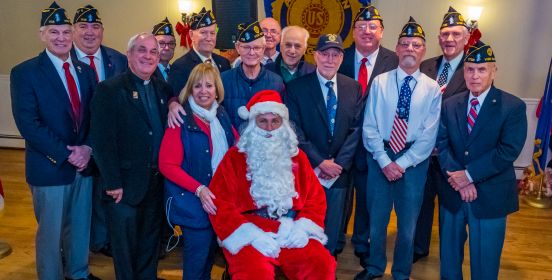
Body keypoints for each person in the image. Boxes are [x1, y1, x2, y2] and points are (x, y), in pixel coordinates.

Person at [10, 2, 99, 279]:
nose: (60, 37)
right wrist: (66, 153)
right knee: (50, 234)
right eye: (53, 32)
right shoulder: (25, 73)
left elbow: (95, 116)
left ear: (72, 33)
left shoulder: (84, 71)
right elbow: (29, 125)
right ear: (42, 35)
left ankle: (78, 273)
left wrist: (87, 149)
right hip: (50, 167)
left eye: (64, 31)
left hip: (83, 166)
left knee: (79, 228)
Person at [208, 90, 336, 280]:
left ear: (282, 125)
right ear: (253, 124)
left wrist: (303, 228)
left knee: (321, 264)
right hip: (250, 229)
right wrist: (250, 235)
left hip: (290, 229)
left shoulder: (297, 157)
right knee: (254, 273)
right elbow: (220, 203)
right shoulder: (234, 158)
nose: (269, 128)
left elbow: (316, 199)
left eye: (274, 121)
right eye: (263, 121)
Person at [358, 17, 441, 280]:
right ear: (397, 48)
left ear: (423, 50)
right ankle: (374, 267)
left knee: (407, 225)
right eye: (404, 44)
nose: (409, 49)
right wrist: (384, 160)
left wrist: (402, 163)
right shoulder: (380, 82)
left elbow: (429, 135)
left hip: (414, 161)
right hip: (380, 157)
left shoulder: (432, 89)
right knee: (377, 220)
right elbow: (369, 125)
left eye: (415, 45)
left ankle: (402, 272)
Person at [437, 40, 527, 280]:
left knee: (485, 266)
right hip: (453, 193)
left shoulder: (512, 106)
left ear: (493, 71)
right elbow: (442, 145)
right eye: (469, 69)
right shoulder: (449, 104)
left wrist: (469, 176)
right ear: (463, 71)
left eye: (482, 69)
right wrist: (459, 179)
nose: (475, 75)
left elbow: (508, 151)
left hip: (490, 198)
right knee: (449, 262)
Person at [90, 32, 171, 280]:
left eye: (153, 52)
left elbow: (176, 100)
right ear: (129, 54)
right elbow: (102, 142)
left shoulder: (160, 87)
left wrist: (176, 101)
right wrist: (113, 182)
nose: (148, 56)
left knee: (150, 243)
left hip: (155, 182)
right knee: (125, 249)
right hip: (123, 185)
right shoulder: (109, 90)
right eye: (141, 50)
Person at [159, 63, 238, 279]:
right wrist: (200, 189)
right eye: (197, 86)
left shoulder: (220, 114)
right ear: (190, 89)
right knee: (196, 263)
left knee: (209, 260)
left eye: (209, 86)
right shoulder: (181, 118)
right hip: (195, 203)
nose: (203, 91)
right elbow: (167, 165)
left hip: (219, 201)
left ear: (217, 90)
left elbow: (237, 146)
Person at [286, 34, 362, 257]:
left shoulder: (353, 87)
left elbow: (356, 130)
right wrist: (320, 162)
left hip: (339, 172)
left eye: (335, 54)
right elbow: (294, 129)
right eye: (325, 54)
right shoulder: (297, 88)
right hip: (309, 169)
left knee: (333, 226)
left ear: (341, 58)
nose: (330, 59)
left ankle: (326, 266)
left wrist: (338, 164)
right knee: (307, 223)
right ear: (315, 56)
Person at [337, 4, 398, 266]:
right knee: (339, 195)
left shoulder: (393, 61)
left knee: (366, 198)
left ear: (382, 32)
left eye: (373, 27)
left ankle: (362, 242)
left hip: (374, 144)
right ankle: (335, 239)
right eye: (361, 27)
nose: (367, 31)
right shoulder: (338, 56)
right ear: (353, 31)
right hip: (340, 140)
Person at [413, 6, 470, 263]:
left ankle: (450, 256)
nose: (449, 39)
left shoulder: (473, 69)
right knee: (421, 204)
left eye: (456, 34)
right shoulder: (425, 66)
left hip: (454, 156)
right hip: (423, 154)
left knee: (451, 210)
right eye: (445, 34)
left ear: (467, 38)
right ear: (438, 38)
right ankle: (418, 248)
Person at [71, 4, 128, 257]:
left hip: (110, 143)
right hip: (76, 146)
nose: (90, 32)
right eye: (83, 26)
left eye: (95, 27)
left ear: (102, 31)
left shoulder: (118, 59)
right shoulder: (64, 60)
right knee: (77, 204)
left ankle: (102, 241)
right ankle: (73, 249)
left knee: (106, 193)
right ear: (73, 31)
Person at [221, 20, 286, 129]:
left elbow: (280, 121)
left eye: (256, 48)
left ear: (263, 49)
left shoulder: (276, 82)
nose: (251, 53)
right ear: (237, 47)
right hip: (232, 144)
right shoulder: (223, 79)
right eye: (246, 47)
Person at [168, 7, 231, 96]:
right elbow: (179, 102)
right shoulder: (180, 67)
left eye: (212, 33)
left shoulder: (224, 63)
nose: (209, 38)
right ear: (191, 35)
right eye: (203, 33)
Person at [152, 17, 176, 81]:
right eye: (161, 43)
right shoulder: (147, 72)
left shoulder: (178, 71)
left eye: (171, 43)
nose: (167, 48)